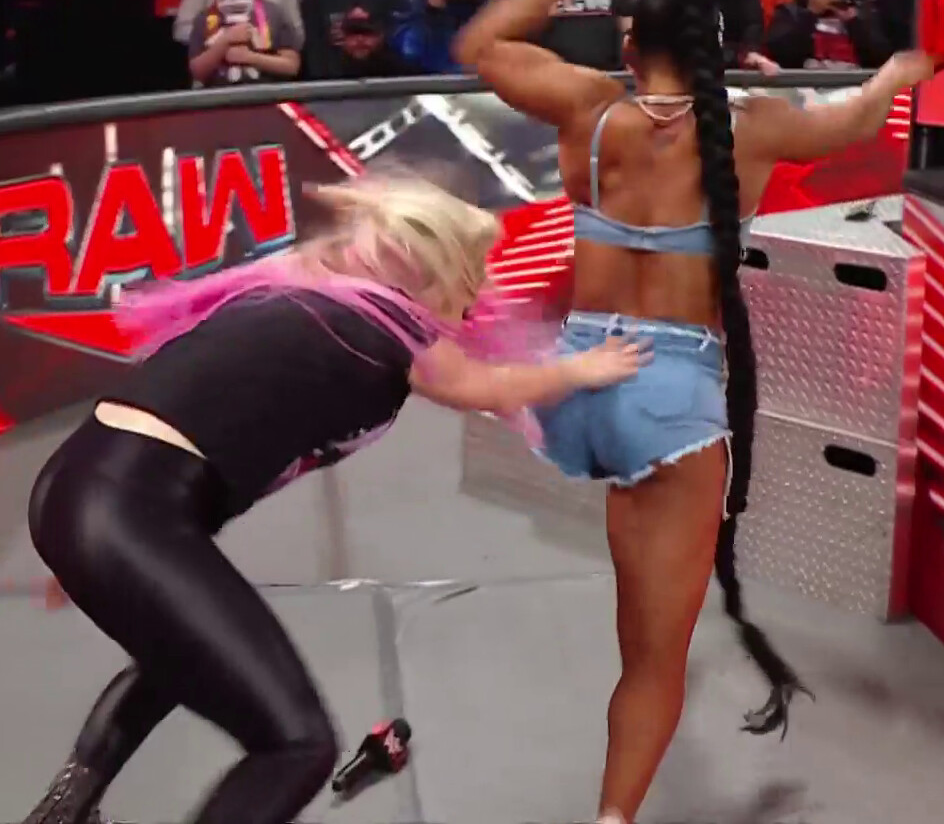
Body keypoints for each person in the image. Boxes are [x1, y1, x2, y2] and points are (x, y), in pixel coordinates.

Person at [453, 0, 935, 822]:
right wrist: (897, 71)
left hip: (580, 385)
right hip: (668, 401)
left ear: (629, 46)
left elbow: (480, 44)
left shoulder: (588, 108)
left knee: (634, 628)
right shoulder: (755, 127)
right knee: (653, 665)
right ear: (716, 46)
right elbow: (859, 116)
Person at [19, 178, 649, 824]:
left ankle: (63, 812)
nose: (482, 291)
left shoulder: (308, 295)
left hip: (85, 492)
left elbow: (180, 416)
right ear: (437, 271)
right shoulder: (388, 324)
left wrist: (92, 545)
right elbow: (489, 387)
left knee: (181, 657)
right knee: (298, 745)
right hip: (120, 510)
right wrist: (583, 370)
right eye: (475, 272)